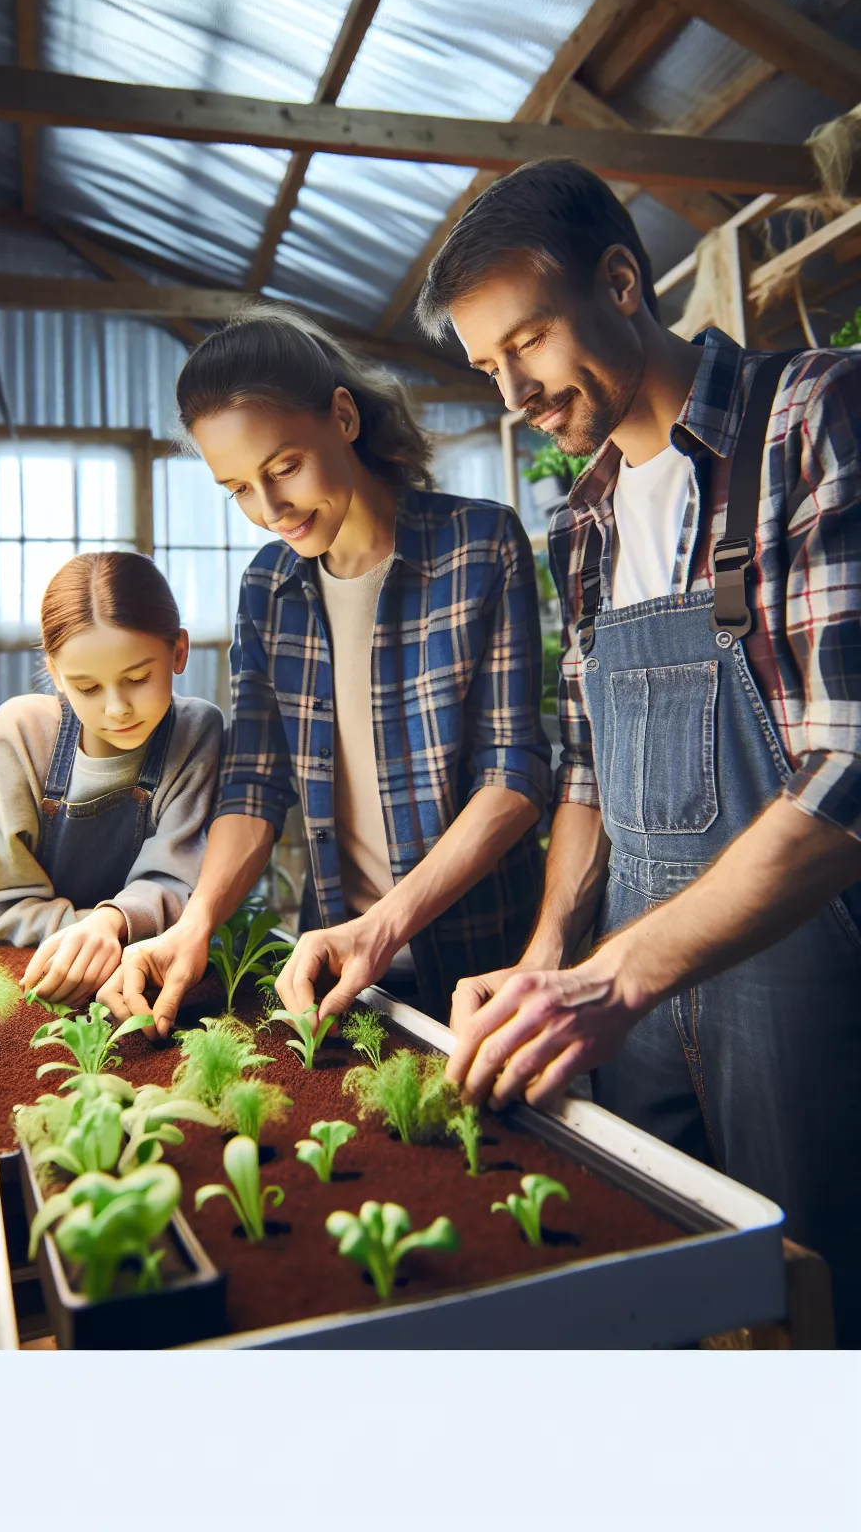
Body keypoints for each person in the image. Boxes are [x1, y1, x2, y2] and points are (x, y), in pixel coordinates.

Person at [421, 157, 861, 1343]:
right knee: (680, 1306)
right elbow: (590, 768)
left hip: (804, 988)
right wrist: (550, 952)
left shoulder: (811, 418)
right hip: (637, 1002)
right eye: (485, 367)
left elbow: (847, 771)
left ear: (621, 281)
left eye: (529, 342)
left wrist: (614, 978)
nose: (513, 389)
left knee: (820, 1298)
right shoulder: (583, 515)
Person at [97, 305, 551, 1034]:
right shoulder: (267, 590)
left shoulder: (479, 544)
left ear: (342, 417)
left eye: (284, 468)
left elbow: (514, 777)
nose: (270, 507)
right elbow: (254, 786)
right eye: (239, 488)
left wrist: (385, 926)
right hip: (333, 966)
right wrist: (196, 923)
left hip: (482, 960)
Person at [0, 550, 223, 1005]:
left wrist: (112, 926)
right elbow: (4, 902)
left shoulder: (196, 731)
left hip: (156, 959)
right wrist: (90, 939)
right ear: (55, 674)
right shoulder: (21, 734)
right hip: (39, 966)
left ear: (179, 651)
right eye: (87, 687)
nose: (116, 708)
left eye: (138, 677)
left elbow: (178, 878)